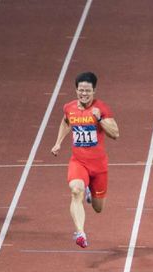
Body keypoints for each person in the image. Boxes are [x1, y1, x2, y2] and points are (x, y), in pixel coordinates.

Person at [51, 72, 119, 248]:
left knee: (98, 208)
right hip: (78, 162)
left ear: (94, 91)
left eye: (87, 91)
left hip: (99, 166)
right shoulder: (69, 107)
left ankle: (90, 189)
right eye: (81, 90)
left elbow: (115, 134)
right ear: (76, 90)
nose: (84, 94)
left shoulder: (101, 108)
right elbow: (66, 122)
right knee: (75, 190)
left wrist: (100, 119)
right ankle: (80, 232)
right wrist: (58, 142)